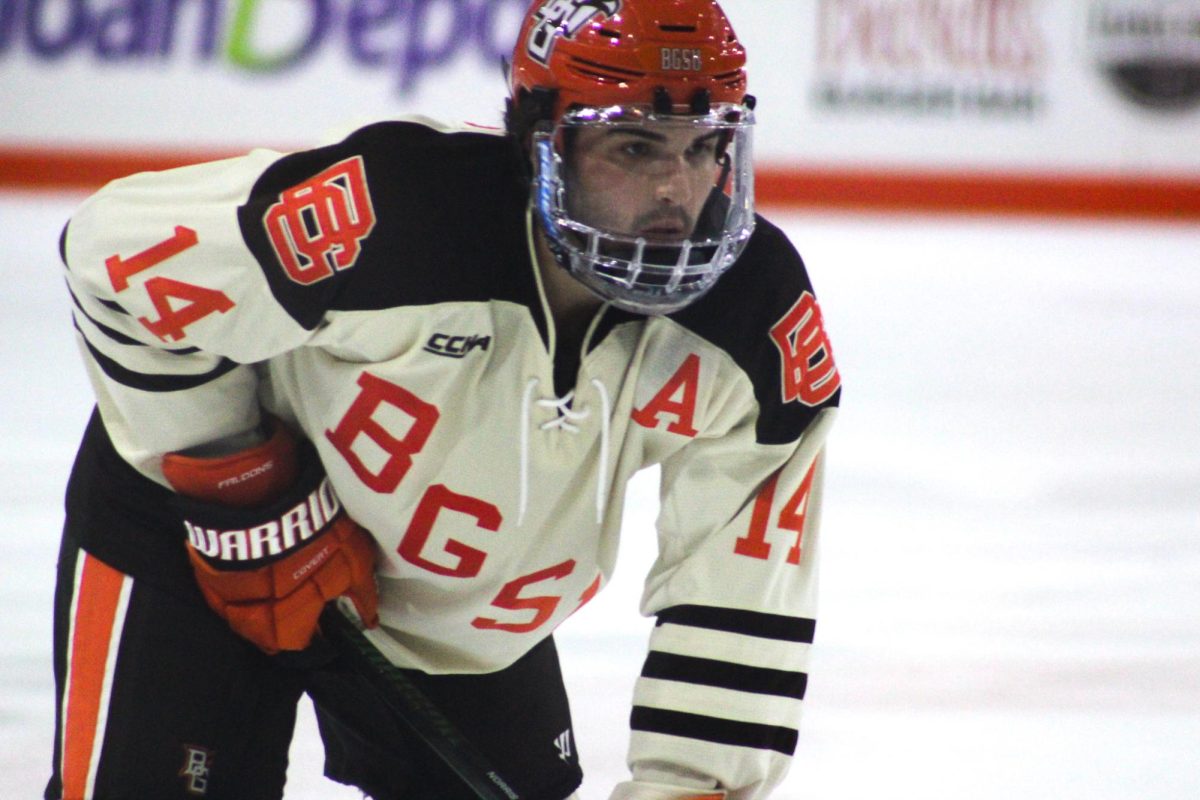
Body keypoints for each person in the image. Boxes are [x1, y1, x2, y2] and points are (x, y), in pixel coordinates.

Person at [46, 0, 841, 798]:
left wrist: (689, 789)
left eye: (705, 147)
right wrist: (245, 492)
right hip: (197, 545)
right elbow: (114, 258)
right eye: (635, 147)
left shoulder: (756, 325)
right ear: (541, 145)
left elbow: (740, 603)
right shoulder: (396, 215)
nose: (678, 189)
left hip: (459, 618)